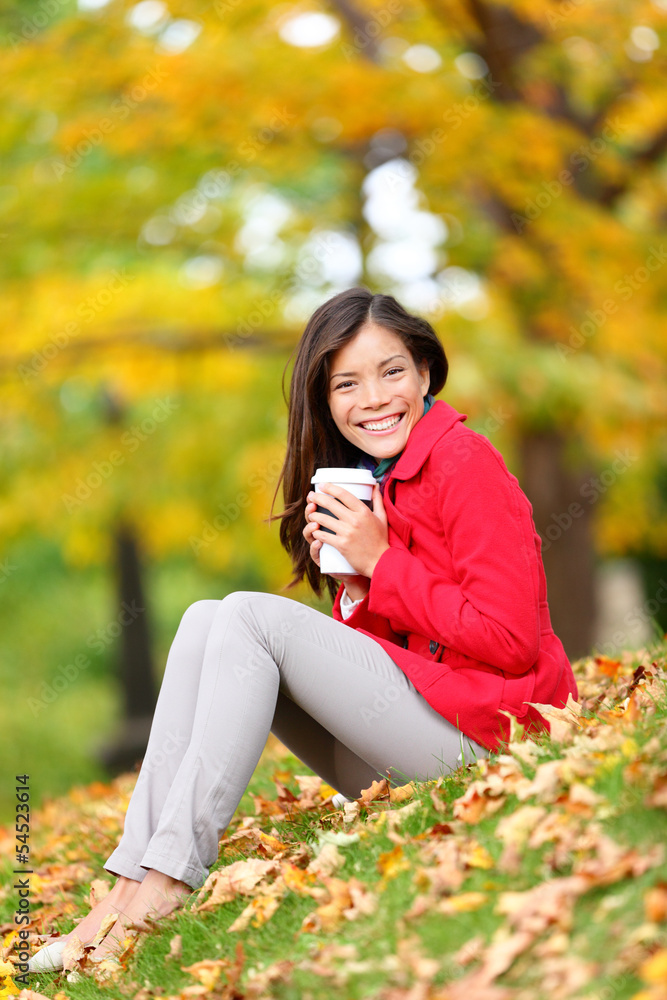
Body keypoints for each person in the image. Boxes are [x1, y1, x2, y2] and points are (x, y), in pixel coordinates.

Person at [29, 287, 577, 974]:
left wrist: (383, 562)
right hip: (420, 740)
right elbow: (412, 647)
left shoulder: (463, 462)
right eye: (347, 383)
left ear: (425, 375)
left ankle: (166, 884)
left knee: (252, 616)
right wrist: (360, 587)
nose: (373, 398)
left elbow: (507, 640)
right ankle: (125, 890)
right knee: (208, 616)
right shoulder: (378, 479)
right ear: (325, 401)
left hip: (493, 747)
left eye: (391, 372)